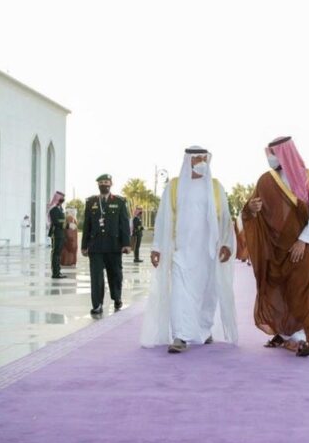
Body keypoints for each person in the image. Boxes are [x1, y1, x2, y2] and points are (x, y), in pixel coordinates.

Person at [141, 146, 236, 353]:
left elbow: (225, 219)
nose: (202, 161)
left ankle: (203, 329)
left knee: (207, 294)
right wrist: (157, 247)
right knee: (180, 294)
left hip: (208, 253)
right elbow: (163, 219)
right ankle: (180, 336)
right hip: (181, 252)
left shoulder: (215, 187)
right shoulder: (174, 187)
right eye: (197, 158)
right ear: (188, 160)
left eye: (204, 157)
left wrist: (227, 244)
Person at [243, 136, 309, 357]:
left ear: (284, 153)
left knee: (300, 290)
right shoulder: (266, 181)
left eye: (272, 154)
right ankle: (286, 333)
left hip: (302, 247)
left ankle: (299, 337)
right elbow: (251, 213)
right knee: (277, 291)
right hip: (276, 250)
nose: (269, 159)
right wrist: (251, 208)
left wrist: (303, 240)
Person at [81, 174, 131, 314]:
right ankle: (97, 304)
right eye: (102, 182)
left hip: (113, 245)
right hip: (95, 246)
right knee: (96, 277)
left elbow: (124, 224)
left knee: (115, 275)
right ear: (98, 184)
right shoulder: (91, 202)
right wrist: (84, 245)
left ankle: (117, 298)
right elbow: (87, 225)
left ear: (111, 183)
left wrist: (126, 244)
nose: (104, 184)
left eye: (106, 182)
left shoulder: (120, 202)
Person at [47, 191, 66, 279]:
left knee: (58, 253)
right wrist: (68, 224)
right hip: (56, 233)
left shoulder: (59, 209)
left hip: (60, 233)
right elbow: (57, 222)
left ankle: (58, 271)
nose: (62, 200)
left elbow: (62, 221)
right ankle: (55, 273)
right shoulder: (53, 209)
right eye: (61, 199)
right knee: (56, 254)